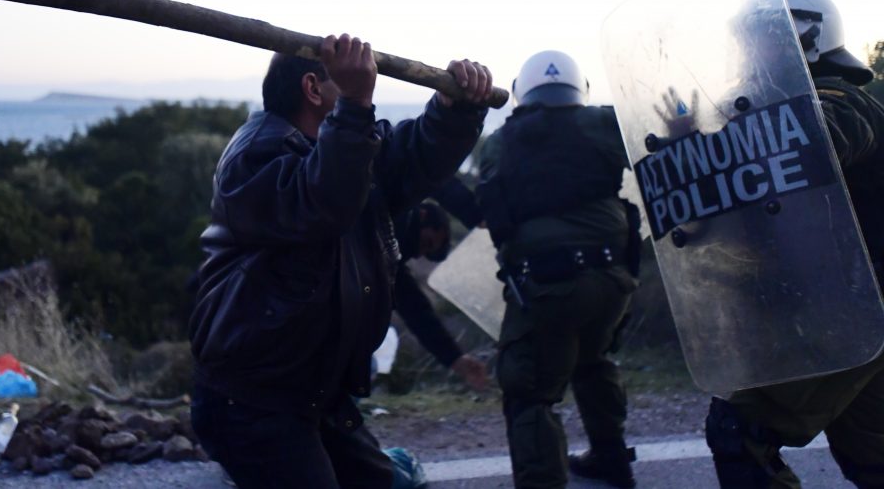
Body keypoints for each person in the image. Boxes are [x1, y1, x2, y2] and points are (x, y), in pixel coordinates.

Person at [188, 34, 493, 489]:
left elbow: (412, 155)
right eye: (343, 81)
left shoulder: (346, 151)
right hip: (253, 402)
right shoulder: (255, 158)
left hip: (313, 392)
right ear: (314, 89)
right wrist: (355, 101)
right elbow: (323, 202)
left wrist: (456, 110)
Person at [704, 0, 884, 489]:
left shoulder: (839, 95)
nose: (746, 55)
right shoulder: (773, 113)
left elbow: (822, 135)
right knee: (875, 460)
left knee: (739, 428)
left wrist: (723, 145)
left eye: (756, 41)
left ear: (797, 36)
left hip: (857, 312)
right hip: (859, 312)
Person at [475, 51, 640, 489]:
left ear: (521, 91)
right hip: (613, 281)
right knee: (592, 358)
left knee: (530, 394)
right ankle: (611, 460)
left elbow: (494, 209)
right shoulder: (607, 124)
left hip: (549, 285)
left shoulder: (502, 142)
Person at [392, 198, 489, 390]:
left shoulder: (388, 265)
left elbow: (416, 311)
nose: (417, 253)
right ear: (421, 216)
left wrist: (455, 358)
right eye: (426, 242)